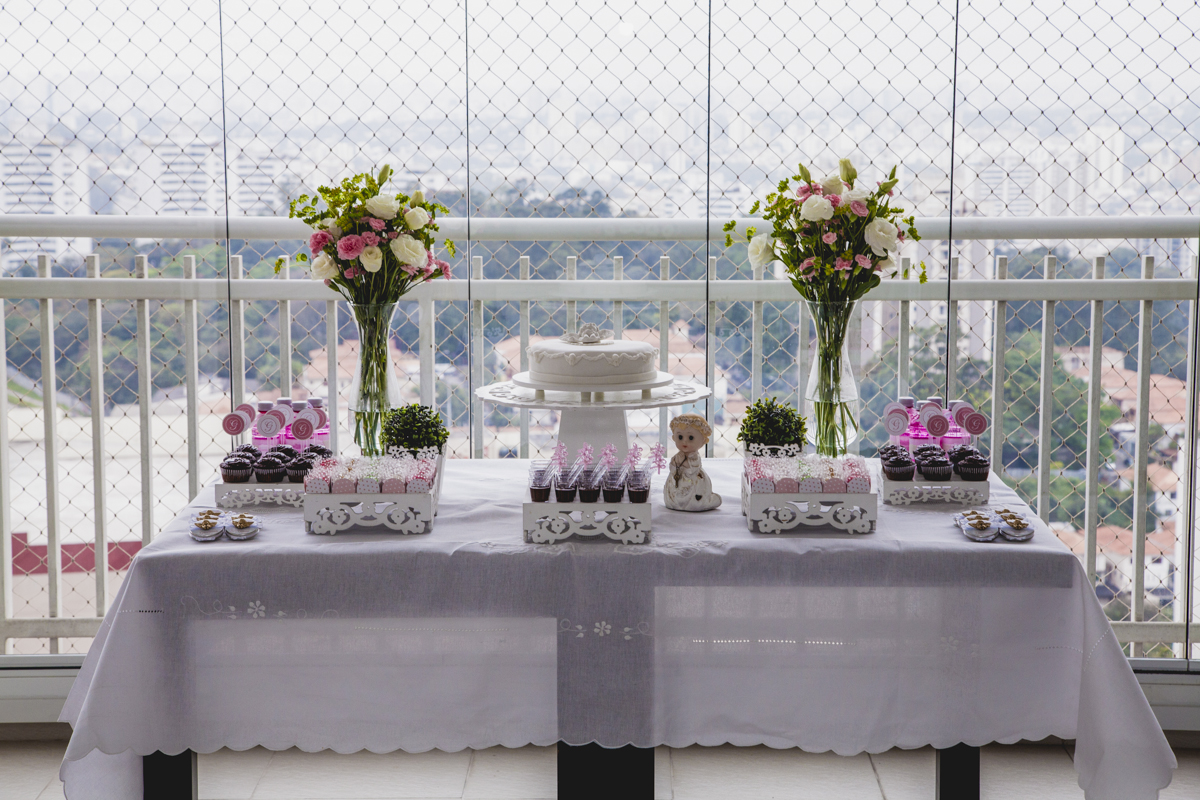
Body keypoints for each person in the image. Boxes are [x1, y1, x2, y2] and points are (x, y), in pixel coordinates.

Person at [664, 413, 722, 512]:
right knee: (673, 492)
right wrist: (675, 465)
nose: (684, 441)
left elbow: (693, 470)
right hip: (677, 482)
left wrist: (684, 464)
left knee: (695, 496)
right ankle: (674, 501)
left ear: (703, 441)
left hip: (693, 483)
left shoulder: (694, 457)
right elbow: (672, 467)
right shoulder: (678, 456)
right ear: (674, 438)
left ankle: (697, 502)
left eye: (691, 438)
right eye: (680, 437)